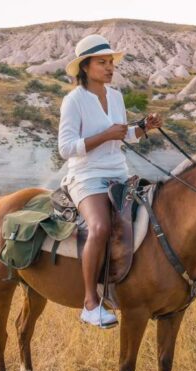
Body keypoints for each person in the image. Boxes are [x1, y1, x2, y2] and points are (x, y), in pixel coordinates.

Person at [59, 34, 161, 328]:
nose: (109, 68)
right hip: (86, 176)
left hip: (119, 172)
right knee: (100, 226)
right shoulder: (74, 100)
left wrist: (142, 128)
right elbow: (65, 148)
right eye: (102, 63)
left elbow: (124, 135)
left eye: (110, 63)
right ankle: (90, 303)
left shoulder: (115, 96)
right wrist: (105, 135)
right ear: (85, 66)